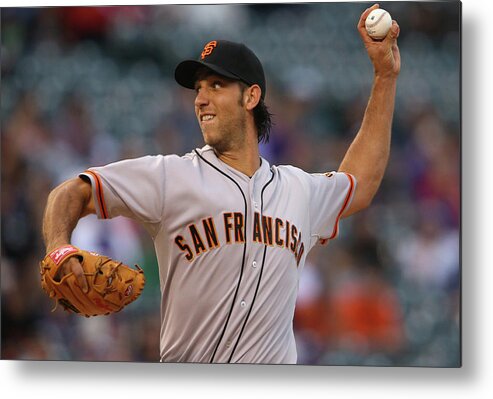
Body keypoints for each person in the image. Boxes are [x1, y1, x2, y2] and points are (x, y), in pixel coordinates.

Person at [41, 4, 400, 364]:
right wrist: (58, 246)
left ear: (251, 96)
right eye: (198, 89)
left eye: (216, 85)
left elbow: (360, 183)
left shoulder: (298, 189)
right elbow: (72, 191)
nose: (200, 99)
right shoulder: (170, 176)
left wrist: (384, 77)